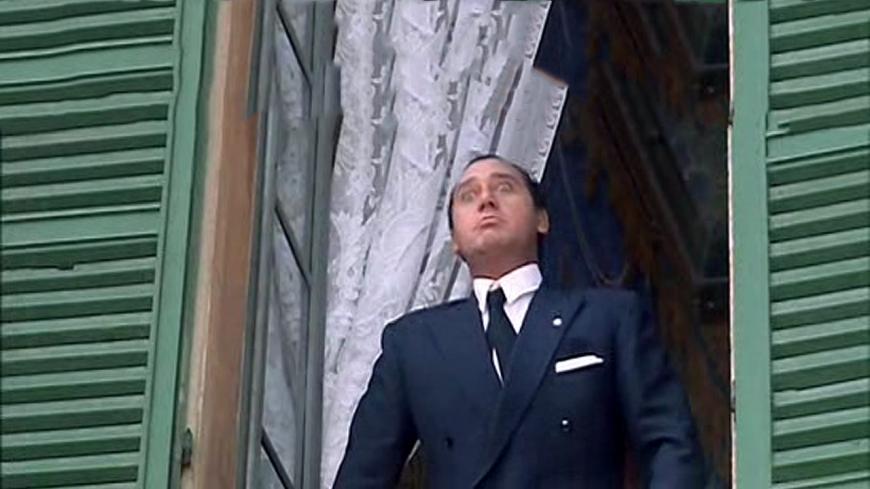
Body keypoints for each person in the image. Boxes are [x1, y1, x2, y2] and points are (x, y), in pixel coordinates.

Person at [333, 155, 703, 488]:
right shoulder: (413, 342)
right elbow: (363, 474)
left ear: (542, 219)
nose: (486, 200)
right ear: (455, 241)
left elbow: (669, 442)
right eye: (468, 196)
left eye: (504, 188)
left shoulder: (608, 317)